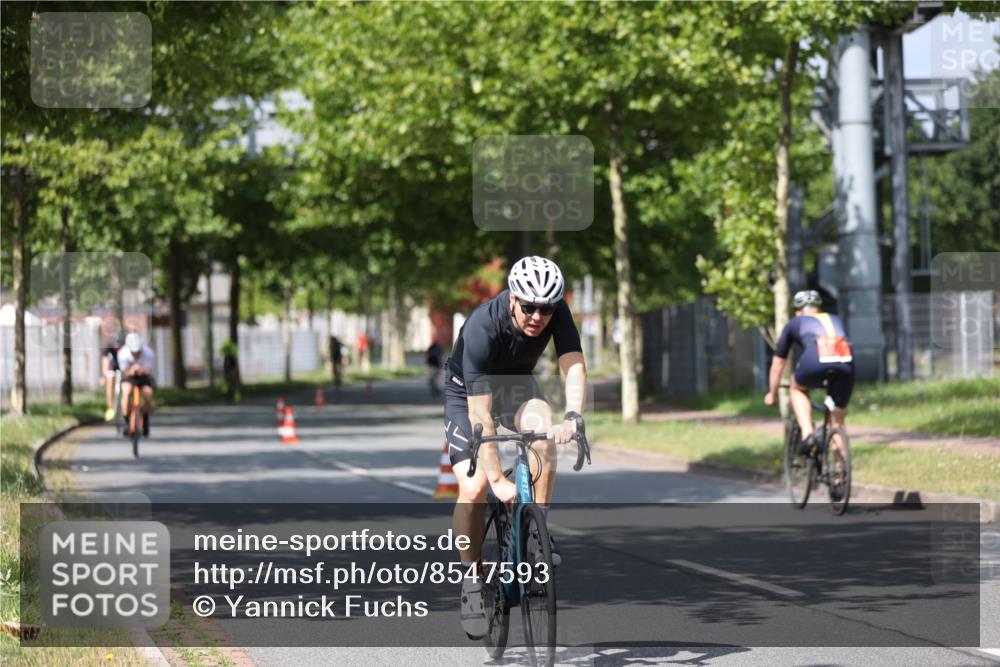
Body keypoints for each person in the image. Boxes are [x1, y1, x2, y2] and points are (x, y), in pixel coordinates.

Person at [445, 256, 587, 639]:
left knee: (542, 431)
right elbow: (481, 415)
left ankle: (538, 532)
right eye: (529, 307)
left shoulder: (556, 311)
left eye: (546, 308)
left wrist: (574, 415)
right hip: (467, 396)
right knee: (473, 489)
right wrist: (496, 479)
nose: (538, 316)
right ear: (512, 299)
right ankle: (472, 585)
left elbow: (572, 362)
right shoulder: (481, 327)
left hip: (517, 385)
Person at [764, 289, 855, 459]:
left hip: (815, 358)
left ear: (798, 311)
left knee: (796, 387)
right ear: (819, 309)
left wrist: (772, 393)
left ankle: (808, 434)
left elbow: (778, 363)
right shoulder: (834, 318)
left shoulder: (795, 322)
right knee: (838, 421)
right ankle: (840, 474)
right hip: (845, 362)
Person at [117, 332, 156, 437]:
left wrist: (141, 369)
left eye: (138, 352)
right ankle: (126, 420)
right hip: (129, 377)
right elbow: (123, 371)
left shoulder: (148, 353)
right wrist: (132, 370)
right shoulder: (123, 353)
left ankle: (145, 418)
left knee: (148, 394)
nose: (136, 354)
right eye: (134, 352)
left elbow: (149, 369)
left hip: (144, 377)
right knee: (126, 392)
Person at [100, 332, 126, 421]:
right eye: (116, 346)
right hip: (113, 367)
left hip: (124, 368)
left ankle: (126, 406)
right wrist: (104, 375)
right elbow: (105, 362)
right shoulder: (108, 347)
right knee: (110, 380)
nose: (117, 348)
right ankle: (110, 408)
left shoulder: (126, 348)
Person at [220, 338, 241, 403]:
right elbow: (224, 365)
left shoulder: (233, 355)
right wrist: (224, 371)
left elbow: (235, 364)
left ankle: (236, 395)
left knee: (234, 383)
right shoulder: (226, 355)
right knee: (226, 383)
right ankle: (227, 395)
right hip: (227, 370)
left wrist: (234, 371)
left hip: (232, 370)